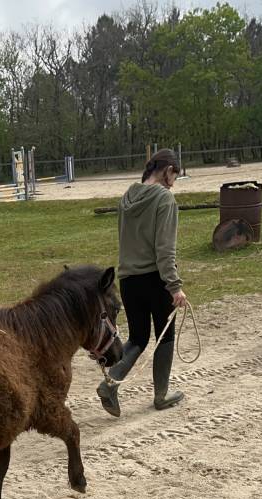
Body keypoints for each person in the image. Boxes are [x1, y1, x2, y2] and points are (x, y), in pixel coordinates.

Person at [97, 148, 187, 417]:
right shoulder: (164, 200)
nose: (174, 181)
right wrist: (174, 286)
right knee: (164, 335)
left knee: (138, 337)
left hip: (128, 279)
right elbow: (165, 250)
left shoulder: (127, 197)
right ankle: (161, 395)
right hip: (155, 279)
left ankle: (110, 382)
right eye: (175, 175)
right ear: (168, 170)